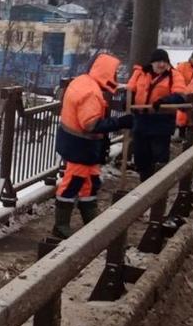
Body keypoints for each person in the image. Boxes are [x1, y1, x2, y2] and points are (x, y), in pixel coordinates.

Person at [52, 53, 134, 238]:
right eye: (114, 74)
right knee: (73, 183)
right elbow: (91, 124)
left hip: (81, 147)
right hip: (80, 148)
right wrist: (121, 122)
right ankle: (61, 226)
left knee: (90, 181)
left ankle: (91, 221)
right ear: (106, 73)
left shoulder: (84, 82)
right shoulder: (90, 93)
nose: (115, 78)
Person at [127, 48, 187, 182]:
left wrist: (164, 101)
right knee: (141, 156)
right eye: (158, 61)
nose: (161, 65)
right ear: (152, 63)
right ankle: (144, 182)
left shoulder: (174, 75)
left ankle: (157, 186)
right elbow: (130, 90)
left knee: (159, 156)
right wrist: (128, 102)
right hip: (141, 119)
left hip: (161, 121)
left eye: (164, 62)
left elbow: (180, 95)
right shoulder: (140, 73)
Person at [175, 51, 193, 136]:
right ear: (191, 58)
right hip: (183, 92)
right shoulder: (182, 66)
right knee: (182, 113)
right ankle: (181, 133)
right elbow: (177, 78)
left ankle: (192, 133)